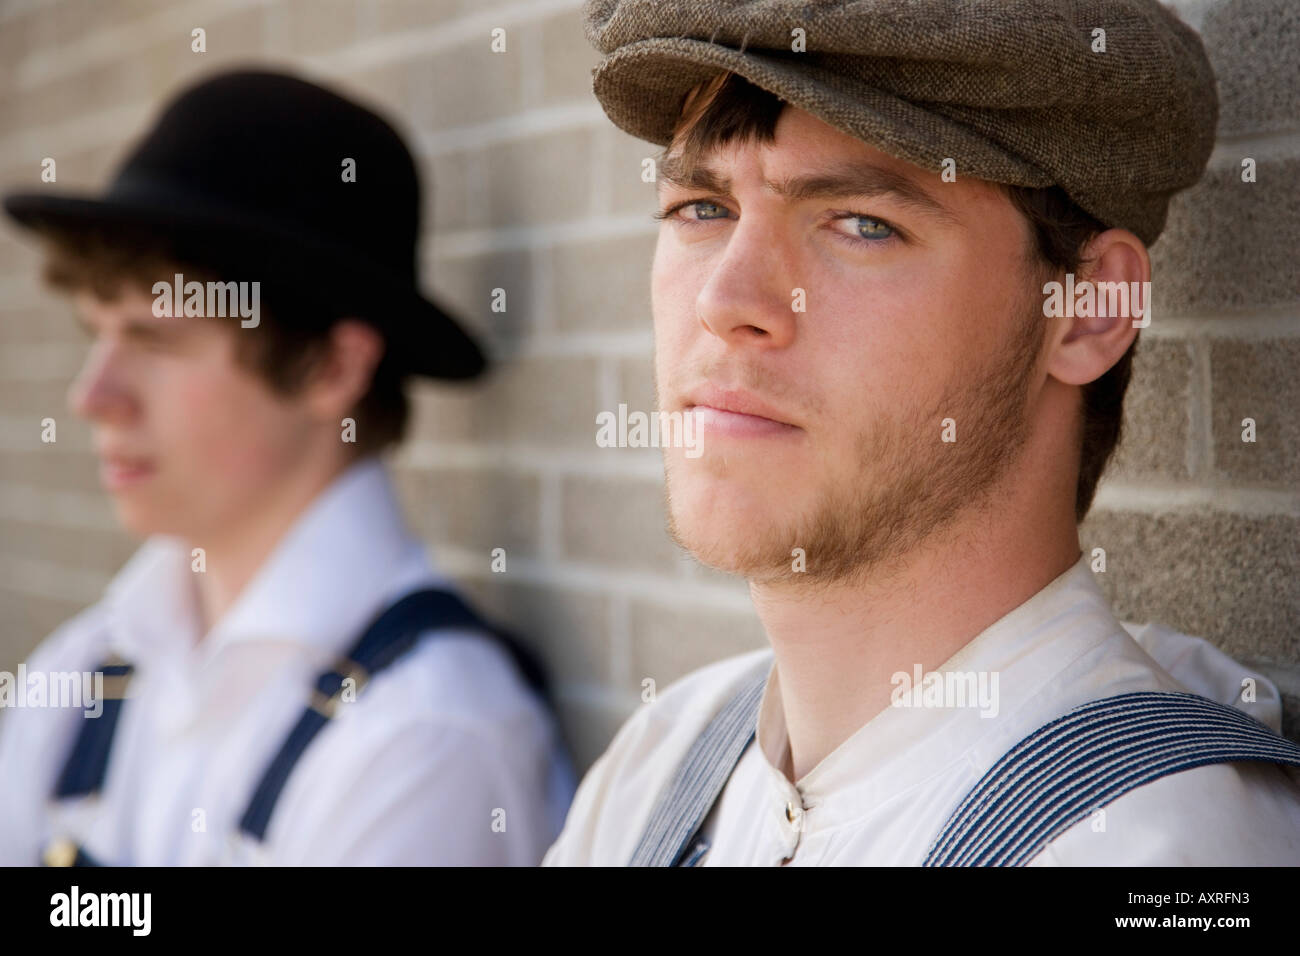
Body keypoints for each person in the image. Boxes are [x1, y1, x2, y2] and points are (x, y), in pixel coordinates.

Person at [544, 0, 1300, 865]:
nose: (725, 300)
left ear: (1090, 309)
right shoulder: (658, 768)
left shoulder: (1156, 850)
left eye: (863, 224)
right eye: (701, 208)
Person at [0, 68, 575, 866]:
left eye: (155, 340)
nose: (92, 396)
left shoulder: (425, 735)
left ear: (330, 368)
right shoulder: (83, 669)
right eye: (97, 334)